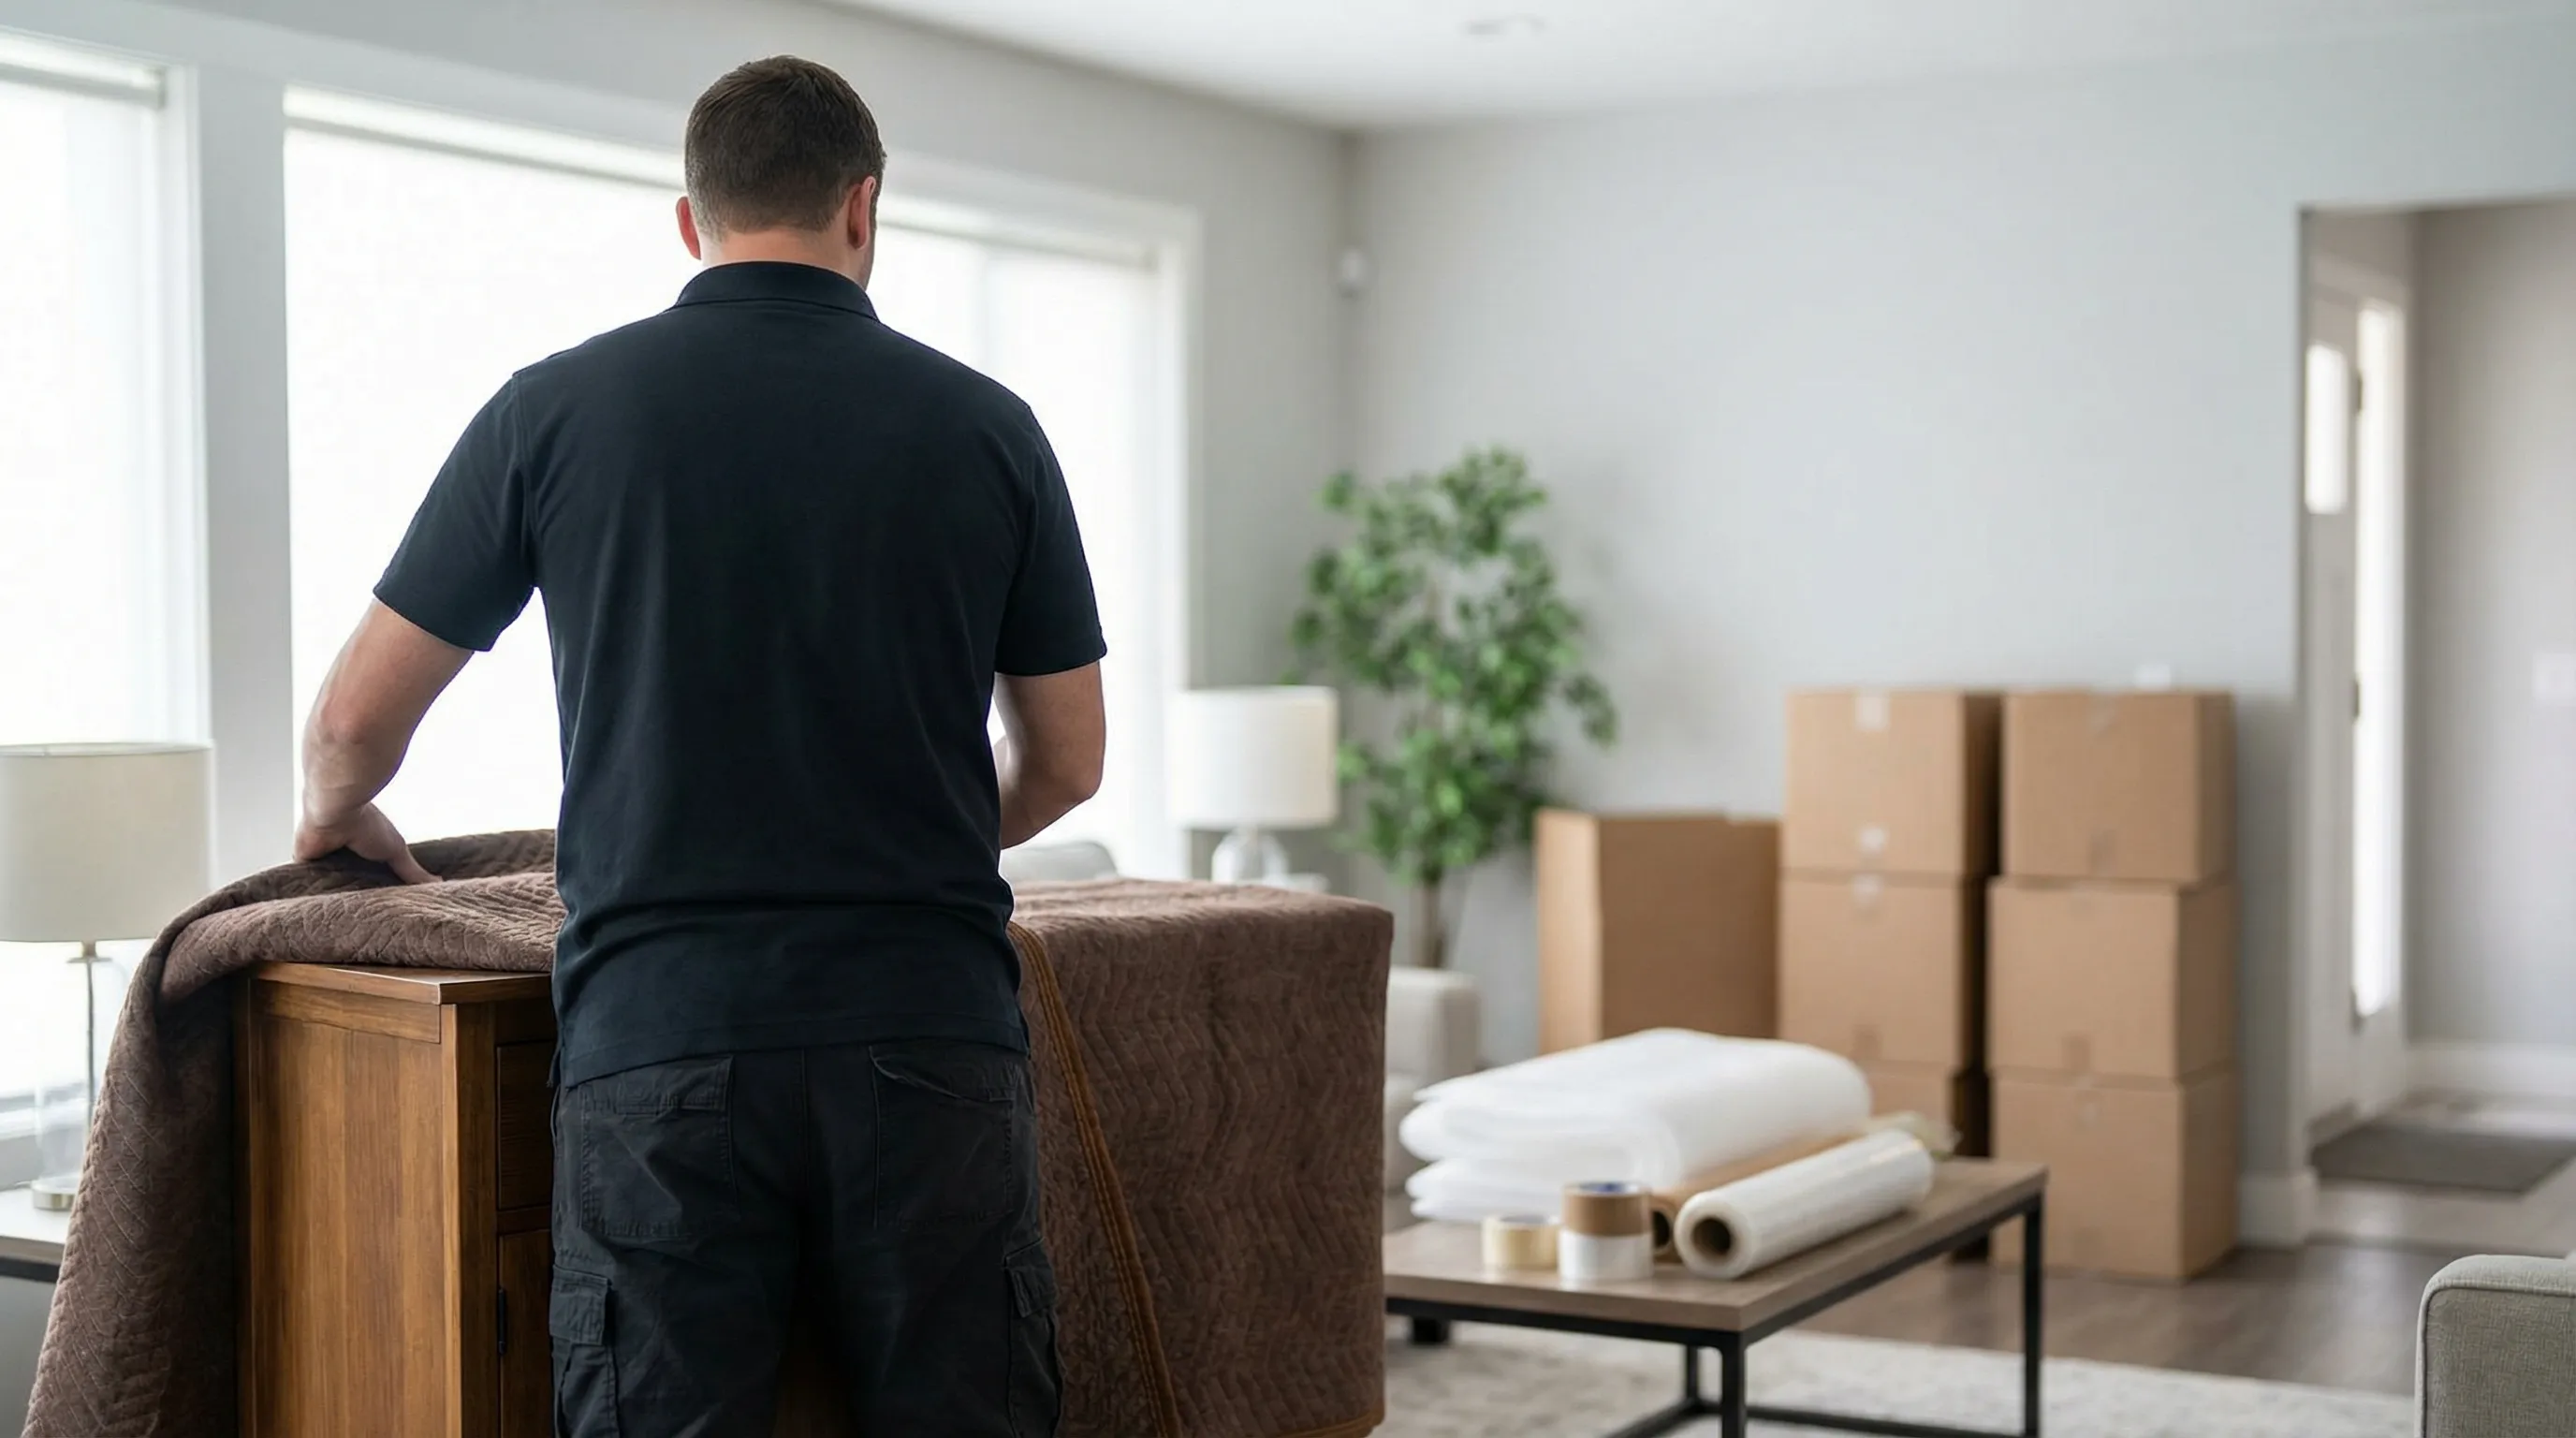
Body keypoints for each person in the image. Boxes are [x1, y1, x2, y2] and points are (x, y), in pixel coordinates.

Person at [292, 54, 1105, 1436]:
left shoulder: (550, 413)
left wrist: (336, 812)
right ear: (865, 206)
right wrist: (908, 820)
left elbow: (353, 724)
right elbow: (1067, 764)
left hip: (657, 1044)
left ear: (692, 220)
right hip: (926, 1031)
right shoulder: (990, 429)